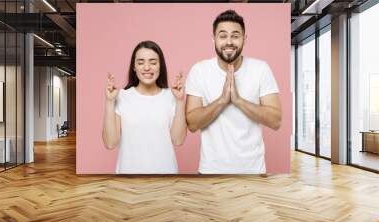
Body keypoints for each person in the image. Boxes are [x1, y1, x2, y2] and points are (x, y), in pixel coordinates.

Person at [185, 10, 282, 174]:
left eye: (235, 36)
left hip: (253, 171)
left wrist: (238, 101)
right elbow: (192, 124)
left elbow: (275, 121)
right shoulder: (199, 70)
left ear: (244, 39)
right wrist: (222, 100)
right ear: (213, 39)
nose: (229, 41)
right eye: (222, 36)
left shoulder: (261, 69)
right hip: (210, 171)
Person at [102, 40, 187, 174]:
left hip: (166, 178)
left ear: (160, 66)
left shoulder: (172, 96)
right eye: (141, 62)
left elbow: (178, 140)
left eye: (153, 62)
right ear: (134, 67)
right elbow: (110, 143)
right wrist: (109, 102)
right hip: (128, 180)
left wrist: (180, 101)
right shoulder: (121, 96)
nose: (147, 68)